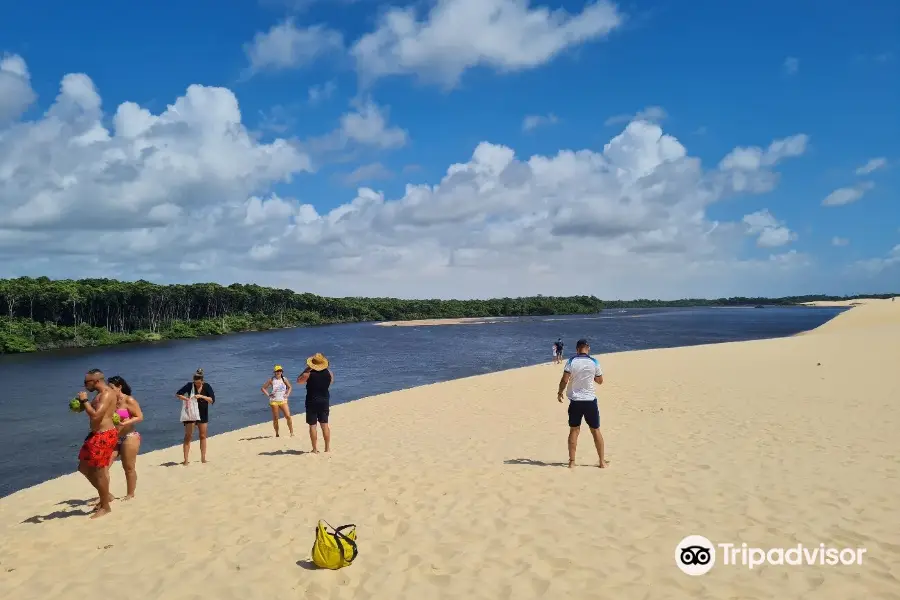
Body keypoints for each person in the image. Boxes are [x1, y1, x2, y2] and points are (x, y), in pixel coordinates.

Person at [556, 339, 607, 469]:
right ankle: (602, 462)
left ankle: (572, 462)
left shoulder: (571, 361)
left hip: (575, 401)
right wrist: (591, 376)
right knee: (595, 430)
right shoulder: (594, 362)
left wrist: (560, 392)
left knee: (574, 430)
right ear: (588, 348)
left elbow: (564, 379)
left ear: (577, 349)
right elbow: (600, 381)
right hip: (590, 401)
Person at [76, 368, 118, 519]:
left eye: (87, 382)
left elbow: (96, 415)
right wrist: (80, 405)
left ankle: (105, 506)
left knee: (99, 472)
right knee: (83, 467)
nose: (85, 384)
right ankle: (106, 495)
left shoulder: (106, 394)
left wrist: (85, 400)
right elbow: (92, 410)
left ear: (97, 381)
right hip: (95, 435)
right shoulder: (99, 395)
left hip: (103, 435)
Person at [107, 375, 143, 500]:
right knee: (104, 466)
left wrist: (125, 423)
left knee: (128, 467)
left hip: (129, 437)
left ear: (119, 387)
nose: (109, 390)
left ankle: (130, 493)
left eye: (112, 388)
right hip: (115, 437)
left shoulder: (129, 400)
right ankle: (105, 495)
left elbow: (139, 416)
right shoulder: (110, 401)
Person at [175, 368, 215, 465]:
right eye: (195, 383)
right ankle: (185, 460)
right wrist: (186, 398)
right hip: (191, 414)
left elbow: (212, 400)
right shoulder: (189, 385)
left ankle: (203, 458)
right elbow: (178, 394)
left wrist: (201, 396)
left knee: (202, 436)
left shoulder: (207, 386)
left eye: (198, 383)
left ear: (202, 381)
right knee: (188, 436)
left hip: (203, 414)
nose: (197, 385)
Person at [296, 353, 333, 453]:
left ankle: (315, 449)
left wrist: (306, 369)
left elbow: (298, 381)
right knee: (324, 424)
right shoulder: (329, 373)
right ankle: (327, 448)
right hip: (324, 401)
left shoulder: (308, 374)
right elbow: (330, 384)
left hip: (312, 401)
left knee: (313, 425)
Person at [261, 365, 294, 437]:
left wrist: (287, 394)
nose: (278, 372)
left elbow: (290, 387)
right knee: (276, 418)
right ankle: (277, 433)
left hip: (283, 400)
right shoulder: (271, 380)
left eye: (280, 371)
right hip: (274, 401)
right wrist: (268, 395)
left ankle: (291, 432)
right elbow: (263, 388)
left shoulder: (284, 379)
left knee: (288, 416)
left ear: (282, 372)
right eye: (277, 371)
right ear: (274, 372)